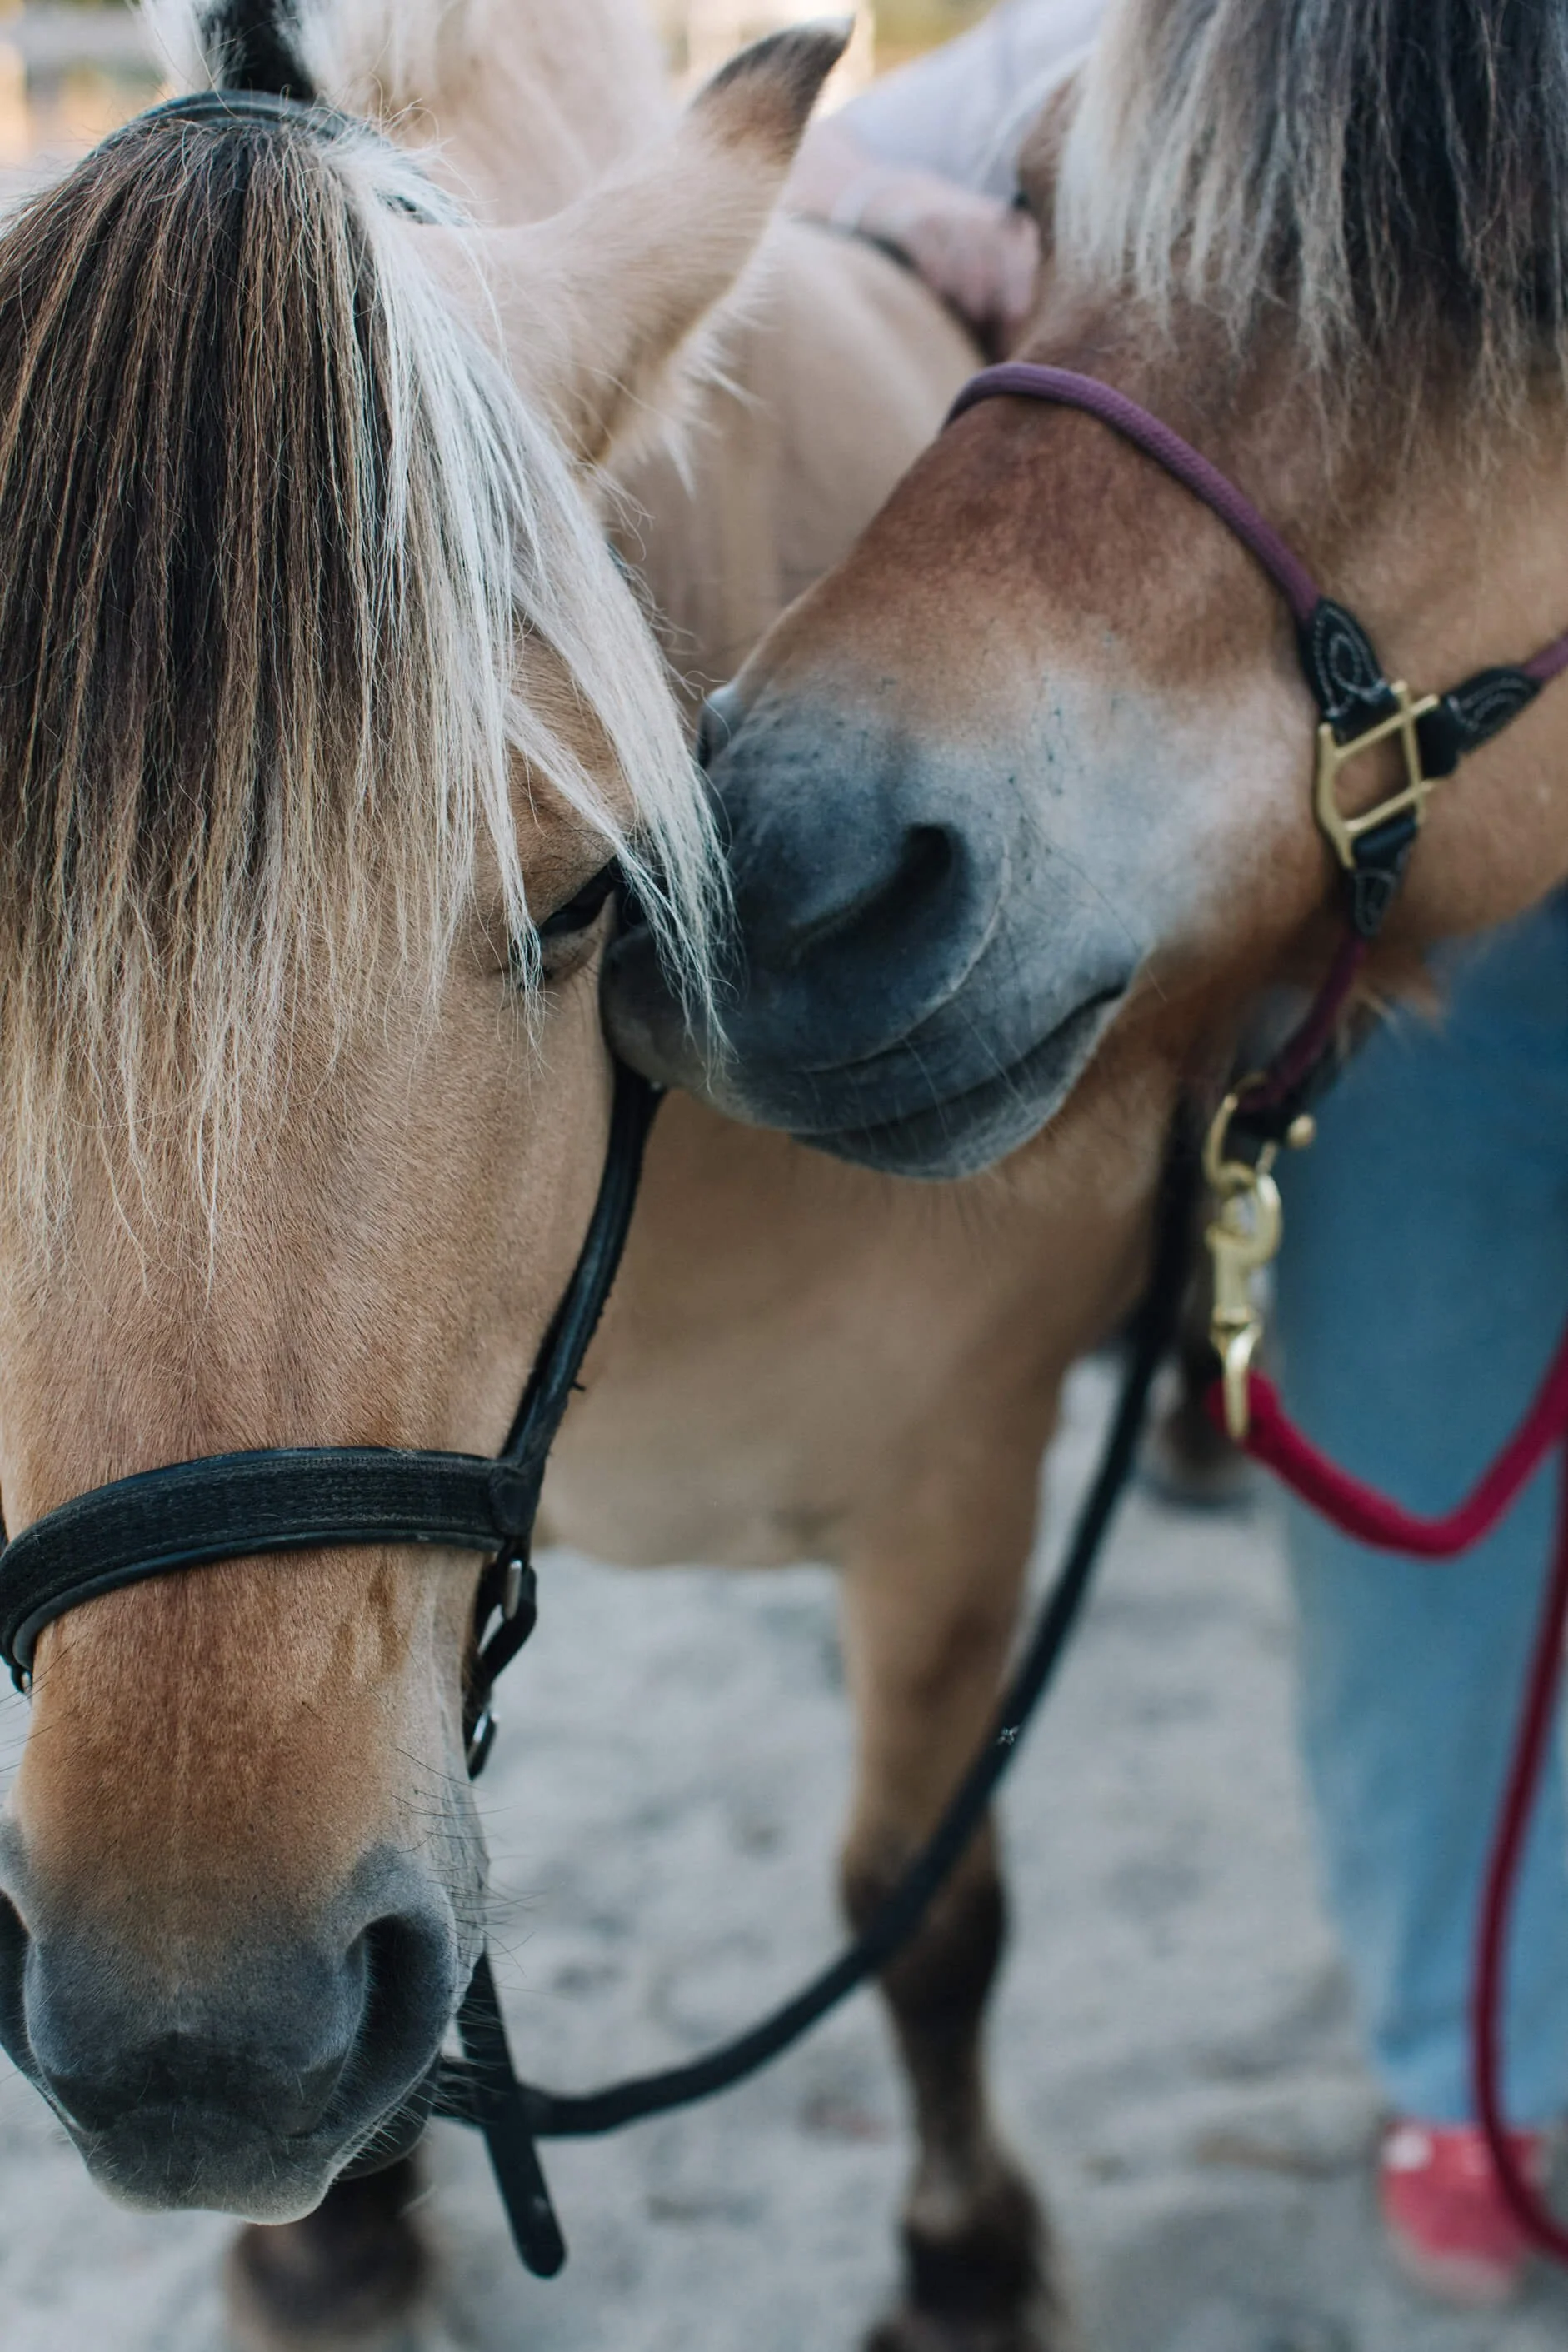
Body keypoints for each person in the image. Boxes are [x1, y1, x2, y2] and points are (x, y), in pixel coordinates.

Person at [787, 7, 1568, 2308]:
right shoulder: (1163, 33)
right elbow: (799, 152)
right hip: (1453, 824)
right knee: (1418, 1439)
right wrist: (883, 207)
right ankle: (1474, 2056)